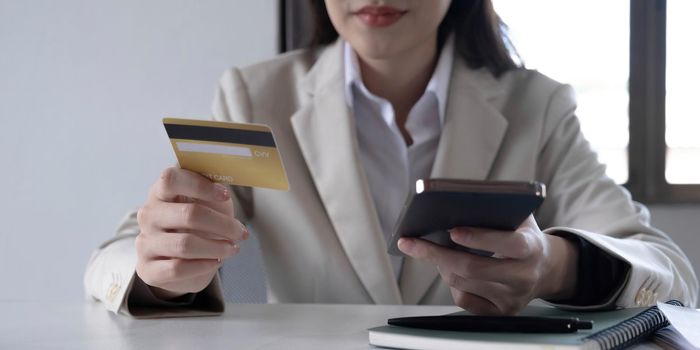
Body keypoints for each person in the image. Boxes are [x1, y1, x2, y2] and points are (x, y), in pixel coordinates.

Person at [84, 0, 698, 317]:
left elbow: (669, 274)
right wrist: (162, 270)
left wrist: (554, 267)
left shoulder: (537, 107)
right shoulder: (254, 97)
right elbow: (116, 258)